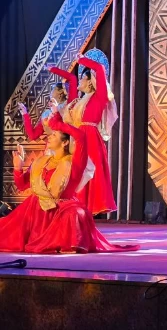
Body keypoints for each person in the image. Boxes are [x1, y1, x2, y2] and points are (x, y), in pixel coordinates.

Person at [0, 101, 137, 253]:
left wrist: (57, 122)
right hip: (35, 210)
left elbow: (80, 136)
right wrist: (18, 168)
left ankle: (67, 243)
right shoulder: (42, 161)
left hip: (61, 208)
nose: (49, 137)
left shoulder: (74, 163)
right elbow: (22, 185)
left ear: (65, 142)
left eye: (54, 135)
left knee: (75, 213)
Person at [60, 49, 118, 215]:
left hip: (90, 138)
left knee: (89, 172)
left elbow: (99, 69)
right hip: (78, 138)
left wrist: (83, 60)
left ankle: (87, 211)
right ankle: (75, 208)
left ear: (90, 82)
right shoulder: (80, 101)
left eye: (82, 78)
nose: (79, 80)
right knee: (76, 172)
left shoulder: (99, 97)